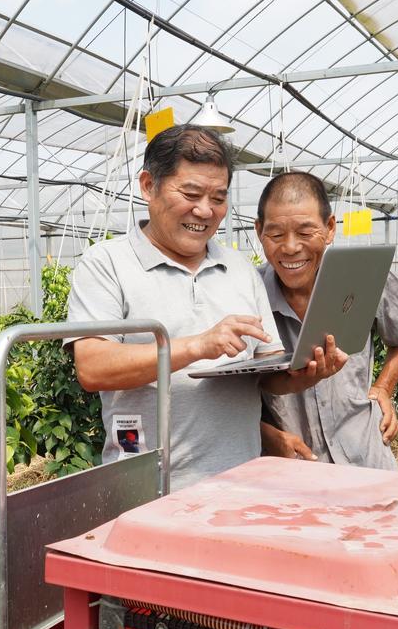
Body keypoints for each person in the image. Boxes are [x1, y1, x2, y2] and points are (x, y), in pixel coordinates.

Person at [66, 125, 347, 490]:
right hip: (150, 486)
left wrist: (308, 374)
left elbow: (269, 373)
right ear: (149, 185)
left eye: (218, 197)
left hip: (242, 481)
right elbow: (93, 366)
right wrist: (197, 346)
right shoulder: (106, 263)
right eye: (191, 193)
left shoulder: (241, 270)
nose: (205, 210)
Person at [255, 172, 398, 470]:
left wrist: (383, 388)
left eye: (306, 232)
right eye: (276, 234)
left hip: (366, 458)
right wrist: (267, 434)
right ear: (259, 232)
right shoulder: (247, 293)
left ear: (330, 228)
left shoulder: (360, 277)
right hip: (293, 468)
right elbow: (225, 388)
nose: (291, 247)